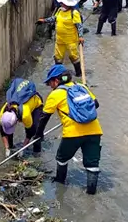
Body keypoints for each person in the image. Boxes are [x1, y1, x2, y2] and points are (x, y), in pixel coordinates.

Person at [34, 64, 104, 194]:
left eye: (50, 82)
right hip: (95, 131)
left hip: (73, 134)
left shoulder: (55, 94)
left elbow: (43, 118)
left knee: (62, 158)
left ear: (56, 80)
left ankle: (60, 187)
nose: (50, 86)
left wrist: (39, 135)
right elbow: (96, 104)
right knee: (93, 164)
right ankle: (91, 195)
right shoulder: (82, 87)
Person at [36, 0, 84, 76]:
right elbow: (54, 18)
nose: (61, 4)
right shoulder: (59, 10)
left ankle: (78, 74)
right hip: (59, 39)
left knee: (74, 56)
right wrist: (44, 20)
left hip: (71, 40)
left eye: (63, 3)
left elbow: (79, 26)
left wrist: (80, 37)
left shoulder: (74, 13)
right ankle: (58, 73)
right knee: (58, 57)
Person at [2, 77, 45, 155]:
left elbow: (30, 132)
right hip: (23, 105)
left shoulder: (25, 115)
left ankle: (37, 153)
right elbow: (3, 132)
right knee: (9, 139)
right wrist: (7, 148)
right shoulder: (3, 114)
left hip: (36, 104)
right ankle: (11, 148)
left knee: (36, 131)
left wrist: (22, 149)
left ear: (16, 121)